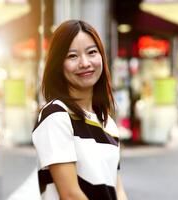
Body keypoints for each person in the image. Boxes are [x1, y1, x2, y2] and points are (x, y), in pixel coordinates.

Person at [32, 19, 128, 200]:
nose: (85, 63)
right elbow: (70, 194)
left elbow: (118, 191)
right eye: (72, 56)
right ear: (58, 65)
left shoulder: (109, 124)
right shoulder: (56, 115)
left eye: (92, 52)